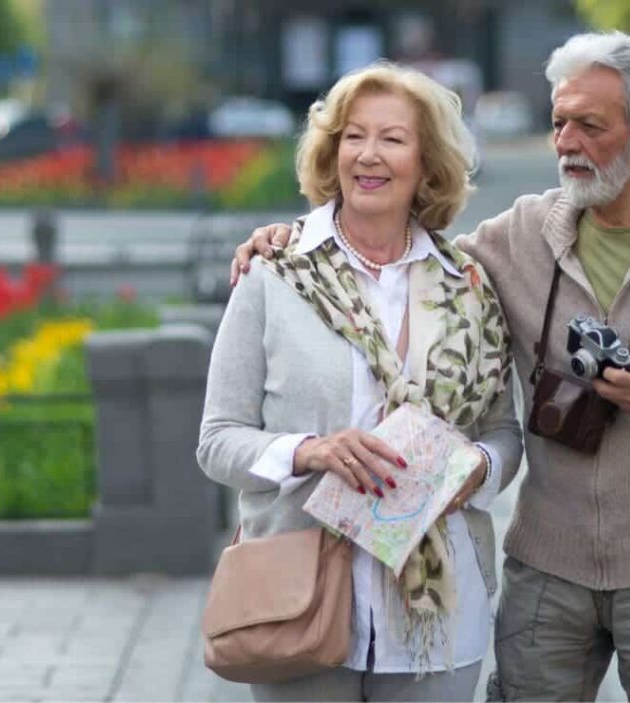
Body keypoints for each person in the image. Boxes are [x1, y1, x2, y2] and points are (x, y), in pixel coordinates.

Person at [230, 32, 630, 702]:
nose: (566, 142)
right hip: (548, 569)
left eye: (590, 126)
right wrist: (293, 241)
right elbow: (400, 254)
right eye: (559, 122)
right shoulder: (516, 236)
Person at [197, 62, 522, 702]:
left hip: (440, 617)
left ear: (426, 163)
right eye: (353, 136)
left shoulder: (469, 286)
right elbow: (217, 441)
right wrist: (310, 451)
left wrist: (478, 469)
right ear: (332, 151)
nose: (368, 155)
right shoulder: (275, 272)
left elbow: (502, 432)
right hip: (297, 599)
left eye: (392, 139)